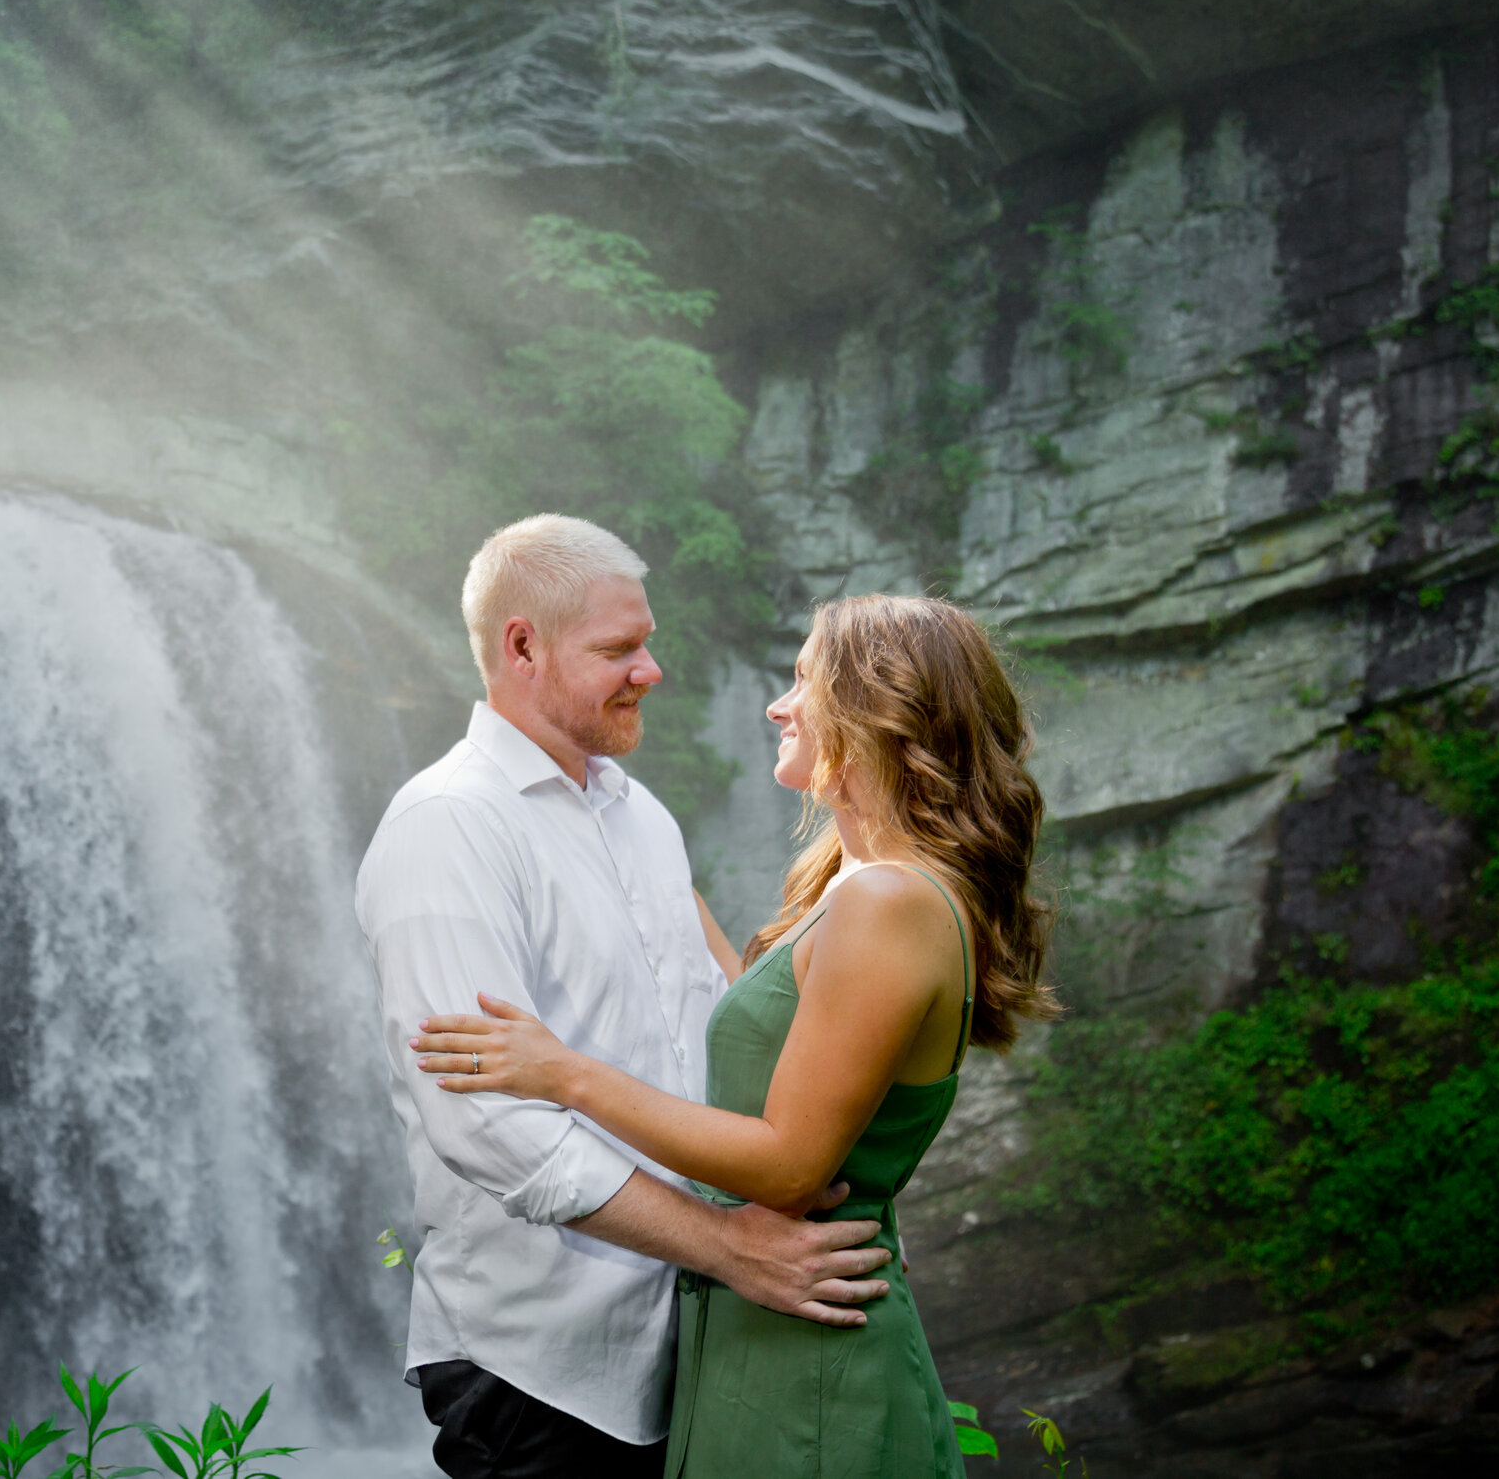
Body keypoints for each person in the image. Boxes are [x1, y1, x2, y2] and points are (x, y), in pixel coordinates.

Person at [414, 594, 1059, 1479]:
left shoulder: (890, 902)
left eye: (803, 680)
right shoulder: (857, 885)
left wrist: (564, 1074)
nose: (778, 704)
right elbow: (734, 991)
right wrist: (599, 828)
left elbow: (789, 1164)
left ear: (880, 708)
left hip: (811, 1359)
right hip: (761, 1334)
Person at [357, 516, 898, 1479]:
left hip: (692, 1343)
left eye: (645, 642)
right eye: (619, 648)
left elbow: (709, 1028)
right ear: (522, 646)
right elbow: (487, 1128)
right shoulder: (449, 827)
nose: (650, 669)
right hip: (541, 1370)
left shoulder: (640, 815)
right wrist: (731, 1247)